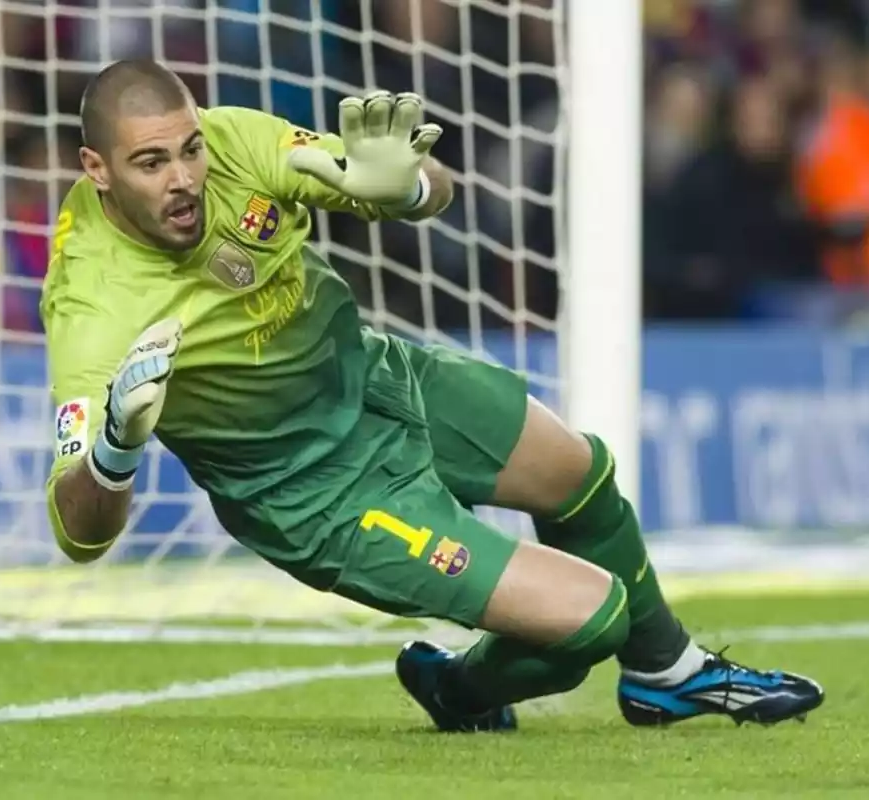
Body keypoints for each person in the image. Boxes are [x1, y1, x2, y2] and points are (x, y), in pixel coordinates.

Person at [43, 60, 824, 732]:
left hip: (376, 377)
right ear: (96, 168)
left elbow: (426, 187)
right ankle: (459, 687)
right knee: (593, 618)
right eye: (151, 163)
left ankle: (666, 674)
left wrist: (408, 188)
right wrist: (114, 449)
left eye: (188, 150)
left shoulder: (235, 141)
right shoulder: (92, 306)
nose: (183, 178)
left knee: (579, 470)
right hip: (317, 493)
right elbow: (78, 535)